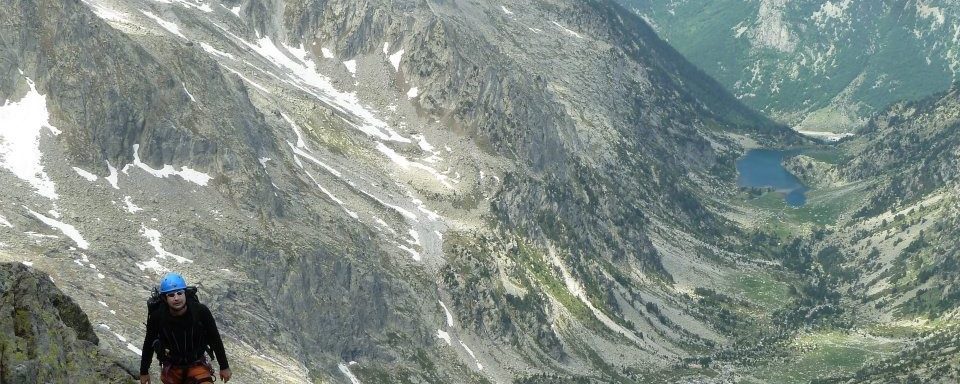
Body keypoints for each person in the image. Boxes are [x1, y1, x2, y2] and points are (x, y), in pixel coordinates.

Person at [140, 272, 231, 384]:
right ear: (165, 298)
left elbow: (215, 339)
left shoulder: (200, 311)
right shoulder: (157, 317)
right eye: (171, 295)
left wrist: (224, 366)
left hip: (197, 365)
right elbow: (149, 344)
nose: (176, 298)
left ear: (185, 294)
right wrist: (144, 372)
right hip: (172, 368)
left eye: (179, 293)